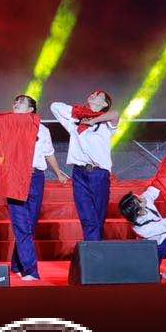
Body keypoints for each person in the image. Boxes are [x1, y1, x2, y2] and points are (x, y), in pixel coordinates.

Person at [7, 94, 68, 282]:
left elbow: (49, 153)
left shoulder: (43, 130)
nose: (16, 104)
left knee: (30, 225)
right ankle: (31, 269)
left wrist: (58, 173)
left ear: (31, 109)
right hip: (16, 178)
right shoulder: (7, 126)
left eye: (21, 102)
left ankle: (16, 264)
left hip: (37, 178)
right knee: (21, 224)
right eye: (15, 102)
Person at [51, 91, 116, 242]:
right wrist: (79, 112)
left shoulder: (106, 124)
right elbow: (55, 106)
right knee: (87, 218)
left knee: (98, 218)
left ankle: (95, 251)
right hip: (79, 173)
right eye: (93, 93)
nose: (93, 95)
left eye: (98, 95)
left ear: (104, 104)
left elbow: (115, 114)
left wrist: (94, 120)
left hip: (99, 174)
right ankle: (93, 252)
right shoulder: (75, 122)